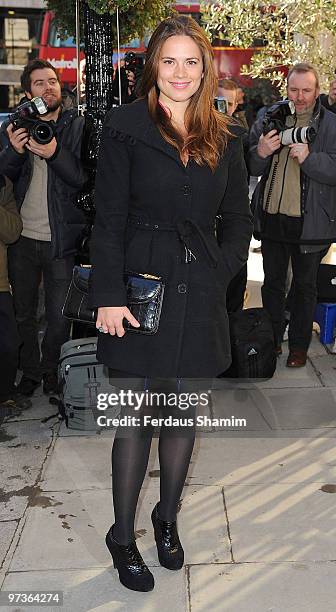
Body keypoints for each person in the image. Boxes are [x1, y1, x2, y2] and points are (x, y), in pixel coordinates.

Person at [90, 15, 252, 592]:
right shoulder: (125, 126)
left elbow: (238, 218)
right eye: (169, 60)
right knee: (133, 419)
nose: (180, 72)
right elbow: (106, 219)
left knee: (182, 416)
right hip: (139, 291)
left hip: (199, 290)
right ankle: (120, 535)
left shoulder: (224, 133)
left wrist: (222, 267)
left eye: (191, 61)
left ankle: (166, 519)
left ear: (204, 69)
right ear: (152, 67)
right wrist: (107, 295)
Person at [0, 59, 87, 396]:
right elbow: (3, 179)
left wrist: (54, 152)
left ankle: (52, 370)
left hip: (60, 239)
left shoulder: (75, 126)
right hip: (22, 237)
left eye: (52, 81)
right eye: (39, 83)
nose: (49, 87)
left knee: (58, 317)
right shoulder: (16, 127)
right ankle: (31, 373)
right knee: (24, 314)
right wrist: (14, 150)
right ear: (27, 92)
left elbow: (81, 178)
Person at [249, 62, 336, 367]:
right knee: (272, 285)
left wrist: (310, 159)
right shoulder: (269, 116)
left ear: (317, 90)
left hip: (311, 222)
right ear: (286, 88)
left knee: (305, 286)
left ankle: (298, 346)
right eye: (294, 89)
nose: (299, 96)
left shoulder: (330, 124)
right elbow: (250, 165)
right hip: (272, 217)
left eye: (306, 90)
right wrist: (259, 152)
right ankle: (271, 341)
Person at [0, 175, 32, 418]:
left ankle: (5, 394)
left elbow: (13, 232)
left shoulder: (3, 184)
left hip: (0, 284)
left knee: (10, 344)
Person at [217, 78, 249, 312]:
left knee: (232, 305)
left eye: (229, 103)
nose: (223, 108)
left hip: (230, 235)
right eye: (218, 101)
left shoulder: (239, 134)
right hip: (205, 234)